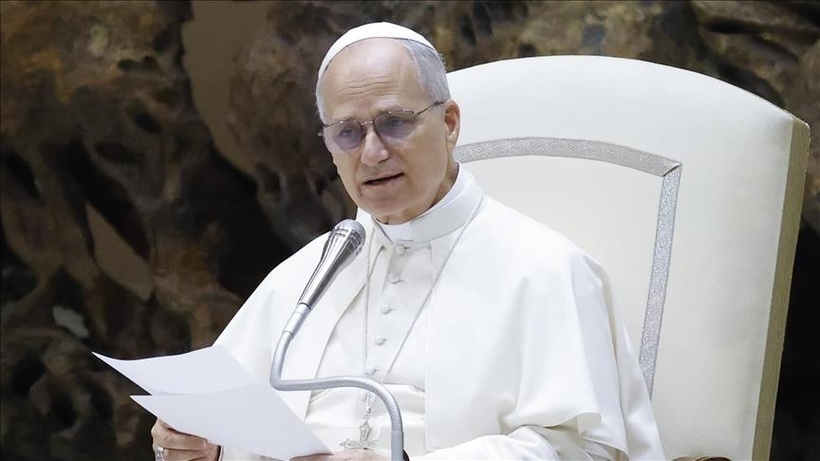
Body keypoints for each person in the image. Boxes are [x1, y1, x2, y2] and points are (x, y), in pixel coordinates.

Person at [150, 22, 665, 461]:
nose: (371, 153)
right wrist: (202, 444)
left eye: (394, 123)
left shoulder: (548, 270)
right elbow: (234, 425)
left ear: (449, 123)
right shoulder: (306, 275)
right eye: (347, 133)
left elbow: (581, 449)